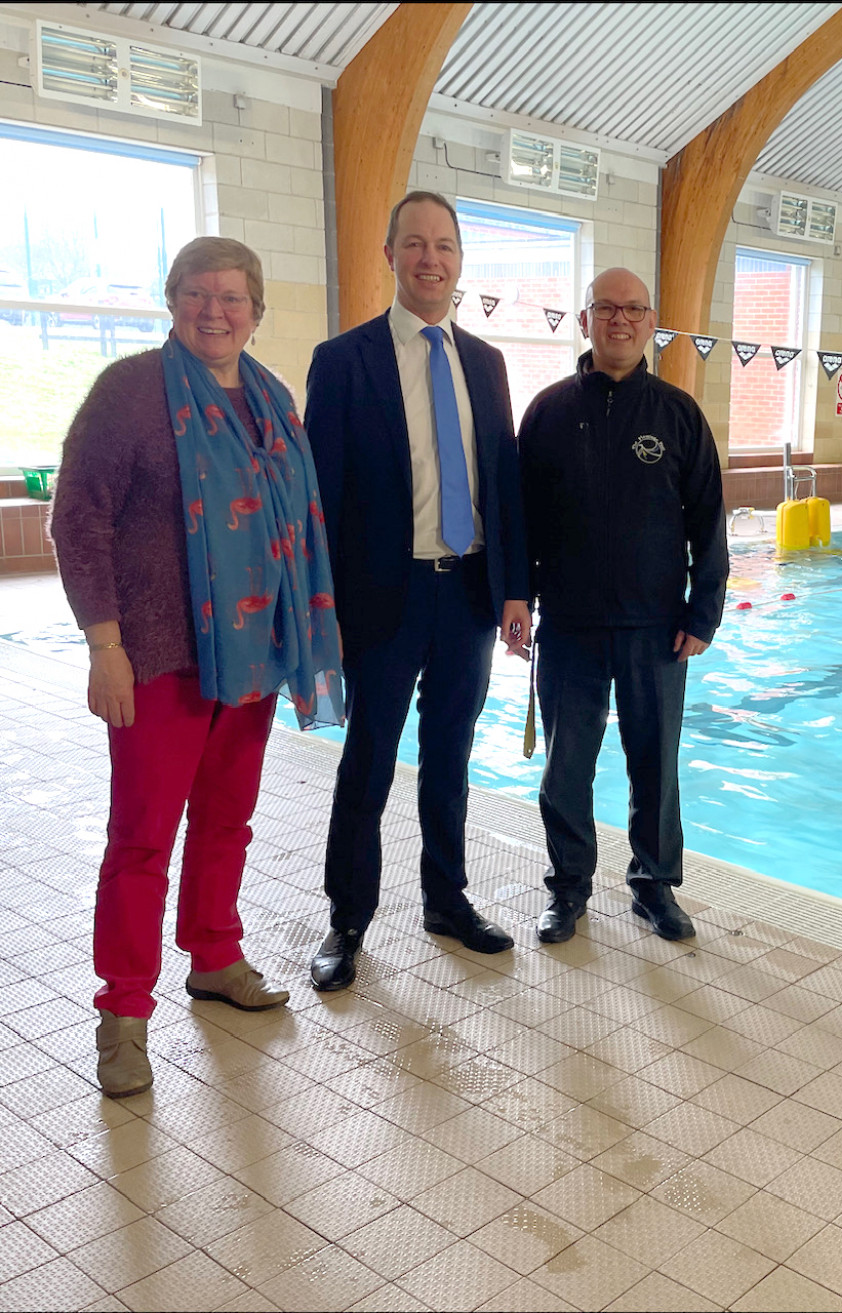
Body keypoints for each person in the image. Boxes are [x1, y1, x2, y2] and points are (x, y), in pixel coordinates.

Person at [50, 237, 342, 1098]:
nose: (214, 311)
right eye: (197, 295)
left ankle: (214, 954)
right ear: (170, 299)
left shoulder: (270, 395)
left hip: (249, 652)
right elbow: (78, 521)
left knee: (226, 820)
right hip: (159, 658)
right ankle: (124, 1012)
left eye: (232, 298)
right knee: (141, 840)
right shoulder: (131, 392)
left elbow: (292, 518)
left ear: (256, 311)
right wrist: (105, 646)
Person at [305, 190, 531, 991]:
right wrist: (320, 607)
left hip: (467, 591)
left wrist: (515, 591)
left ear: (460, 258)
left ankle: (447, 899)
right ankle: (347, 920)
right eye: (414, 244)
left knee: (451, 757)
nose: (430, 258)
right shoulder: (344, 361)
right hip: (382, 594)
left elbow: (502, 481)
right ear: (391, 254)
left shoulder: (486, 362)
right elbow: (321, 497)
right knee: (369, 758)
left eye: (444, 245)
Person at [518, 267, 728, 945]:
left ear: (650, 321)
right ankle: (568, 889)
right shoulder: (548, 411)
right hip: (571, 625)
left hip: (656, 626)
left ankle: (655, 885)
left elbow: (709, 521)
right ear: (585, 320)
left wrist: (704, 613)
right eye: (606, 308)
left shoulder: (677, 414)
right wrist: (516, 597)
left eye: (633, 309)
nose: (620, 320)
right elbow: (521, 520)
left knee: (655, 764)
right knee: (566, 768)